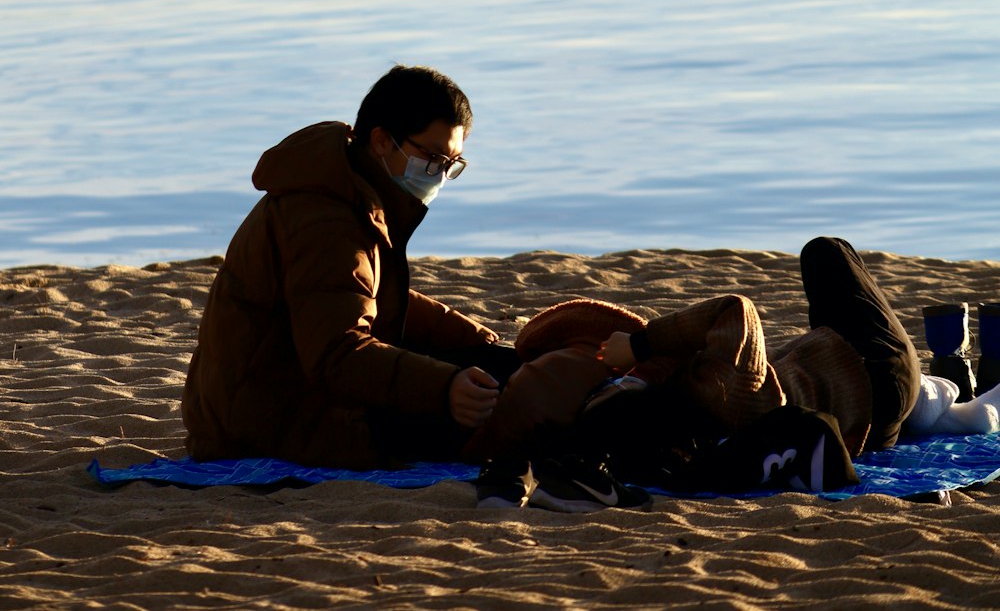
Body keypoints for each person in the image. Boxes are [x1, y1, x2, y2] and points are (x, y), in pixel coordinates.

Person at [469, 237, 1000, 510]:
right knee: (826, 254)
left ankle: (950, 394)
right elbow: (735, 309)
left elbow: (518, 462)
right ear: (639, 401)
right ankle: (953, 390)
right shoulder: (714, 388)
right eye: (614, 389)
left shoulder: (656, 450)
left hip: (853, 398)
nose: (617, 381)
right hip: (872, 373)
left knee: (833, 348)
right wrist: (640, 344)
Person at [182, 64, 519, 469]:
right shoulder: (325, 220)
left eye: (451, 164)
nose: (439, 176)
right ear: (381, 140)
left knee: (498, 368)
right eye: (431, 158)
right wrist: (444, 387)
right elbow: (337, 354)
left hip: (293, 392)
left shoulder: (351, 188)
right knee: (504, 419)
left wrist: (473, 341)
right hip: (267, 419)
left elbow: (365, 293)